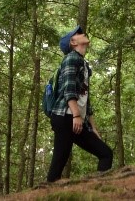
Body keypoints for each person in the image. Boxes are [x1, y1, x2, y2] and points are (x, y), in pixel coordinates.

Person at [46, 26, 113, 182]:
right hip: (65, 117)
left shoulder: (83, 63)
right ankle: (46, 194)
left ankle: (97, 192)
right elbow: (69, 89)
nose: (83, 34)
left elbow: (85, 100)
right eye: (78, 34)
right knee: (58, 163)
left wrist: (92, 127)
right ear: (73, 42)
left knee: (105, 153)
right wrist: (76, 115)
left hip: (76, 120)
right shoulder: (71, 58)